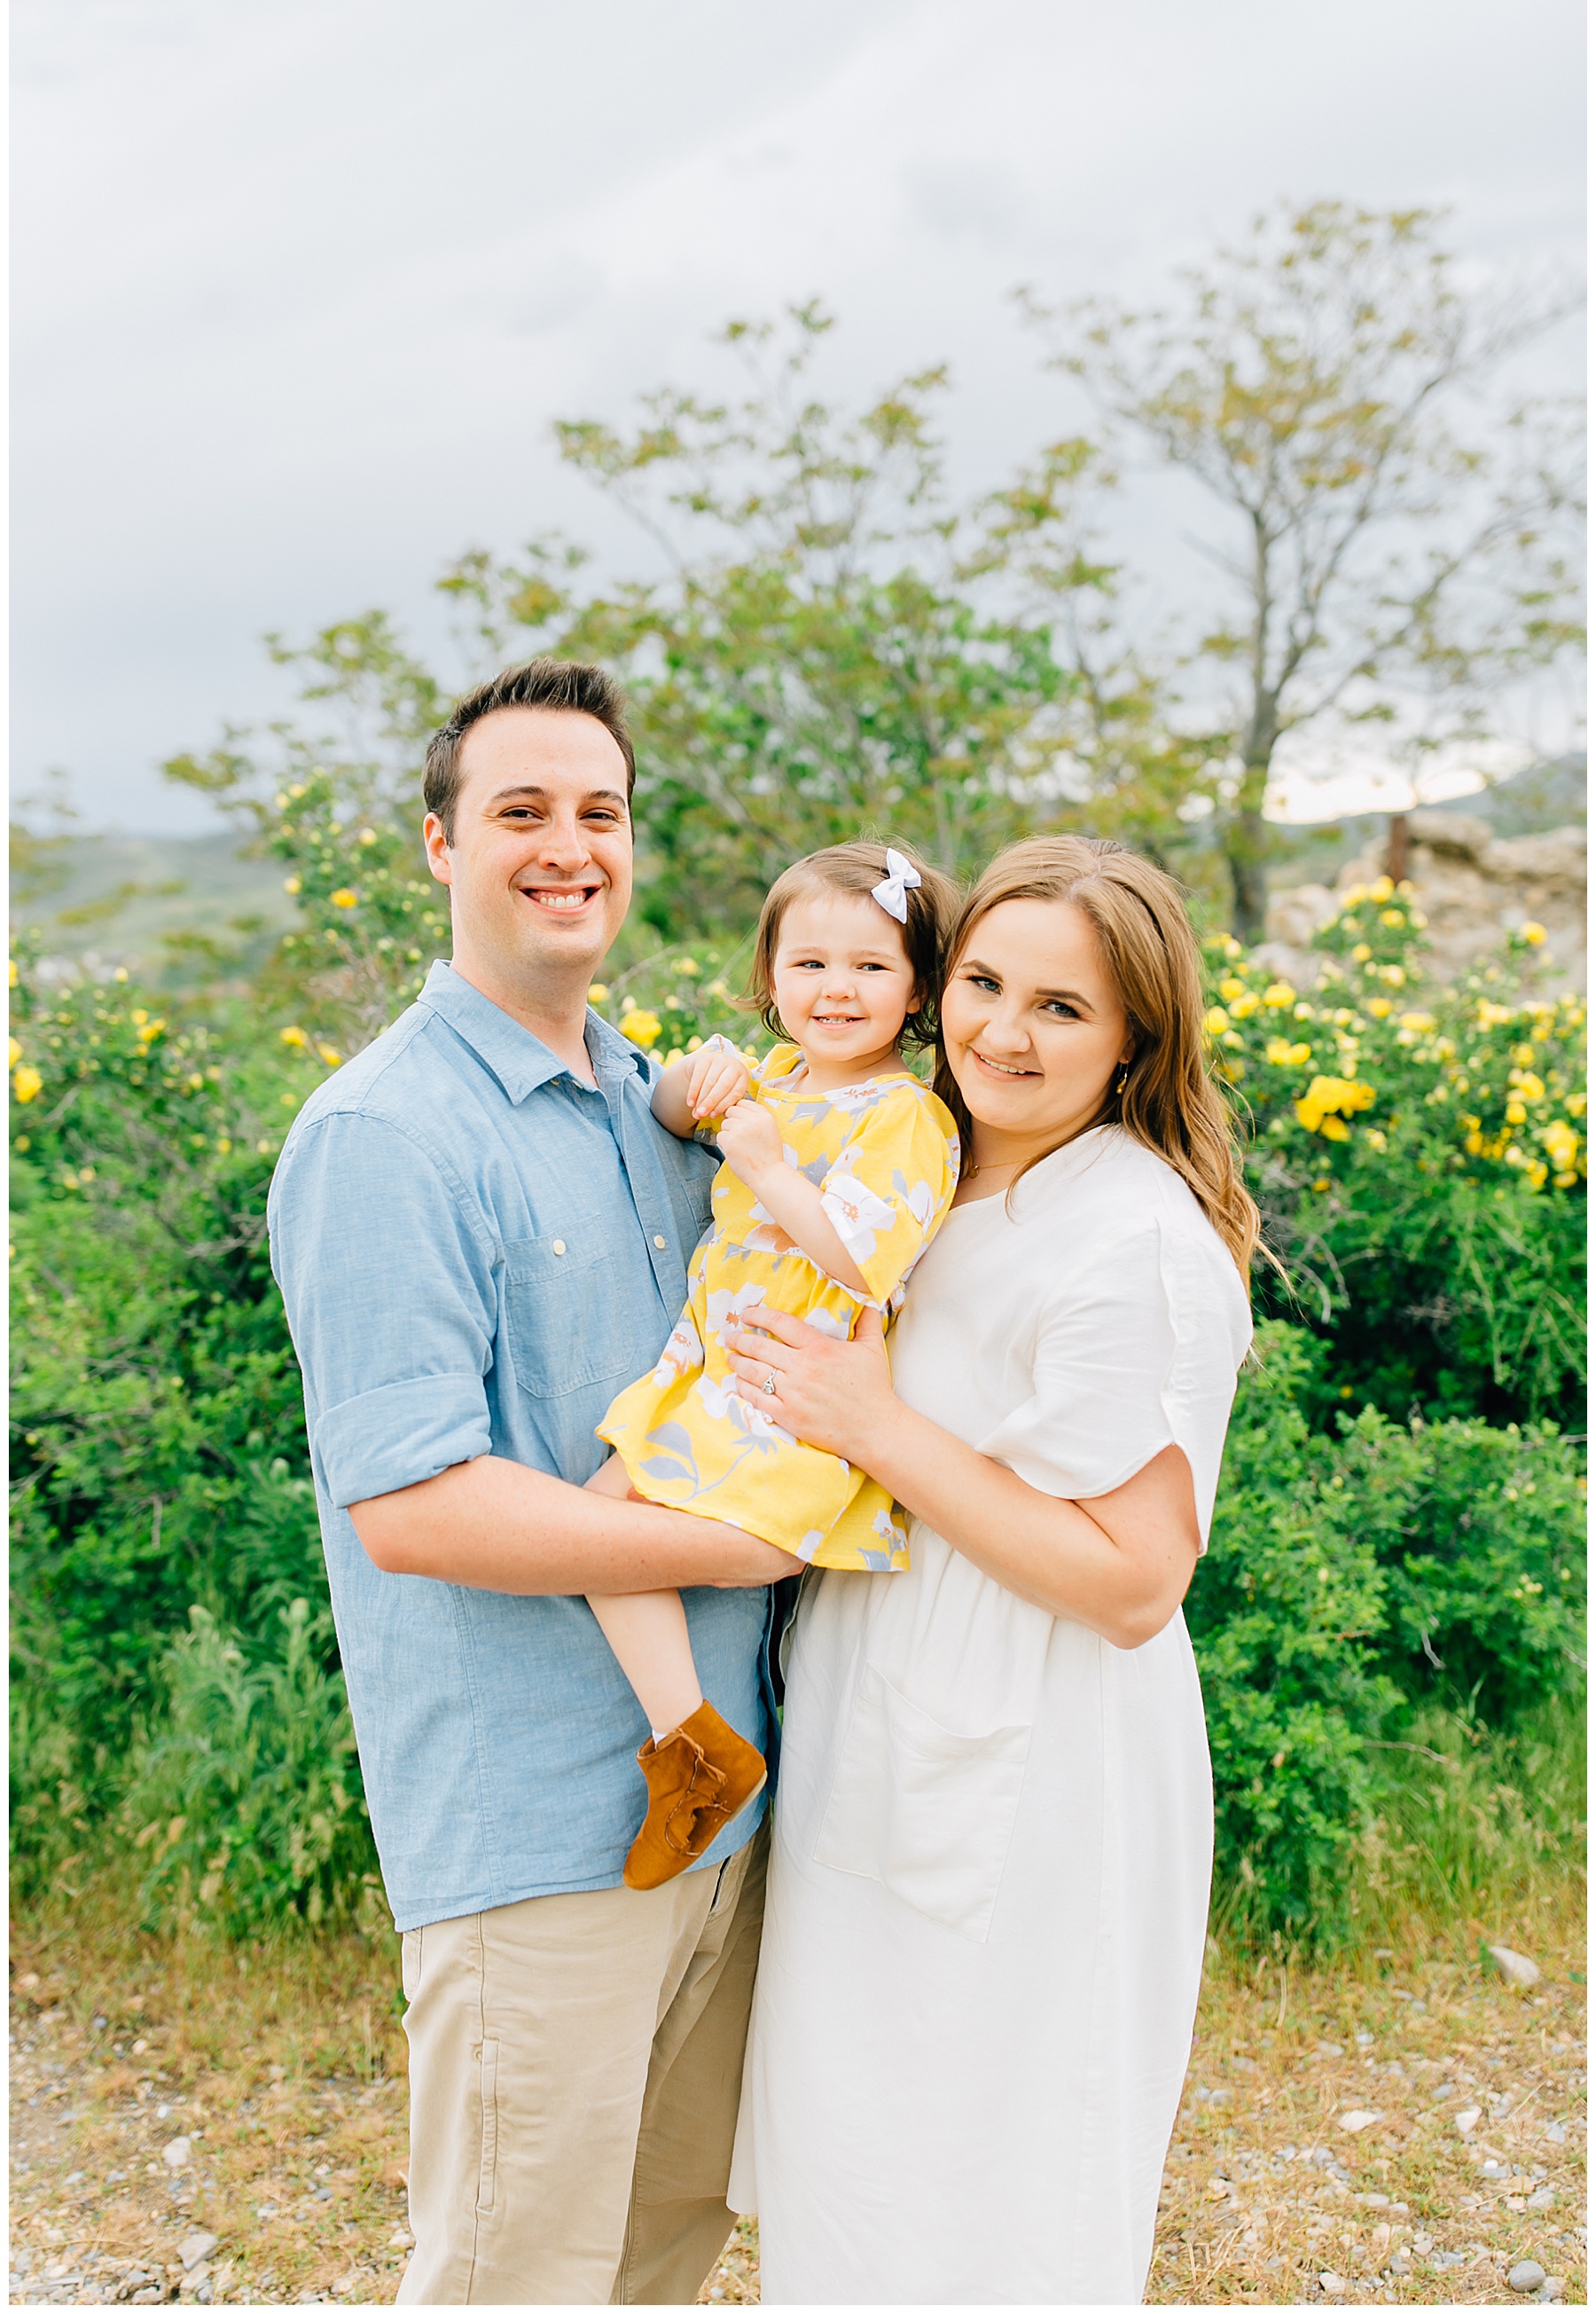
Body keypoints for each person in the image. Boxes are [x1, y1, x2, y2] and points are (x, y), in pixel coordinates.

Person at [267, 657, 801, 2308]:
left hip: (739, 1805)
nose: (568, 846)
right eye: (520, 811)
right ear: (439, 844)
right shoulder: (385, 1137)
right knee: (515, 2281)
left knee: (660, 2257)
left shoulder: (662, 1110)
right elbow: (415, 1503)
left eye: (601, 812)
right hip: (540, 1833)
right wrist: (730, 1542)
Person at [722, 835, 1258, 2305]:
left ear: (1138, 1034)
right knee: (855, 2179)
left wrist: (877, 1430)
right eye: (984, 983)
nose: (1003, 1033)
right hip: (881, 1724)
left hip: (1033, 1768)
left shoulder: (1131, 1235)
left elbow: (1136, 1581)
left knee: (988, 2195)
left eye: (1064, 1009)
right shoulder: (922, 1170)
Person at [586, 843, 961, 1890]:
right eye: (809, 965)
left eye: (870, 968)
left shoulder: (905, 1115)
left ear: (919, 987)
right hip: (707, 1374)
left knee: (611, 1536)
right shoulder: (779, 1081)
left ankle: (698, 1754)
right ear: (772, 978)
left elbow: (864, 1256)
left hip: (781, 1395)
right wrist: (688, 1088)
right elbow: (677, 1120)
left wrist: (763, 1163)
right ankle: (695, 1747)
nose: (835, 989)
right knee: (595, 1519)